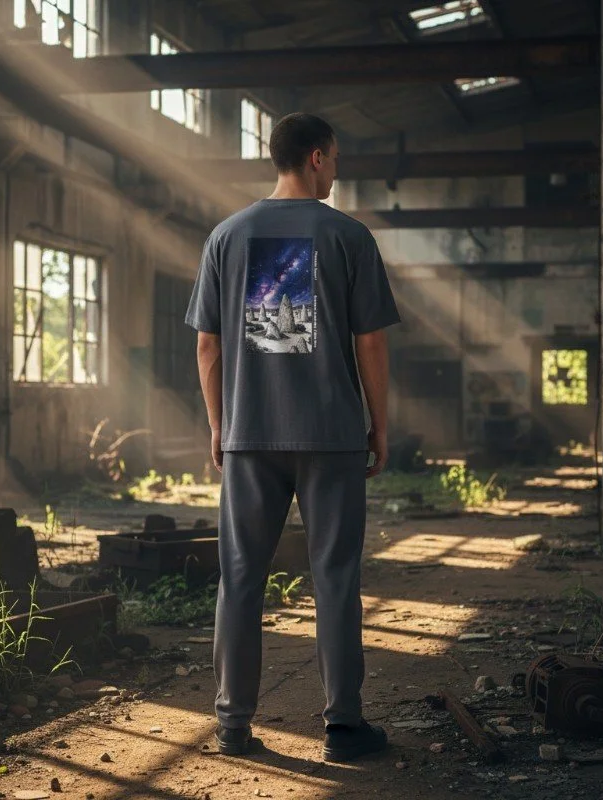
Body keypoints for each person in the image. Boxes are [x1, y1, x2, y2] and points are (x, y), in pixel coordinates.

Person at [184, 112, 400, 763]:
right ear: (314, 158)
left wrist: (221, 427)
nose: (336, 171)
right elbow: (370, 342)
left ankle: (231, 726)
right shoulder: (349, 237)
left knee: (241, 578)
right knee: (334, 576)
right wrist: (379, 424)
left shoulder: (227, 236)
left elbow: (207, 345)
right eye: (334, 160)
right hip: (331, 434)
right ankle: (343, 727)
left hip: (250, 435)